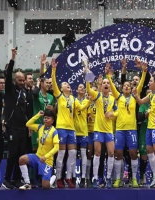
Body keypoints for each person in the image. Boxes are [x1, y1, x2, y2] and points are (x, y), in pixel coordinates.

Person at [51, 58, 90, 188]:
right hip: (61, 128)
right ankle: (59, 178)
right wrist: (54, 69)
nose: (67, 85)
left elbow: (82, 107)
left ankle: (68, 178)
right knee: (61, 155)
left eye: (68, 84)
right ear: (61, 89)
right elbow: (55, 84)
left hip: (72, 130)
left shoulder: (73, 99)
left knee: (73, 154)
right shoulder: (60, 97)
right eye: (65, 84)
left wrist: (89, 100)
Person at [106, 62, 146, 188]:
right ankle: (118, 179)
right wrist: (108, 76)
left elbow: (140, 85)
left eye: (129, 86)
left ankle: (134, 178)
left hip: (131, 130)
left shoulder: (135, 97)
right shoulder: (119, 97)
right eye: (125, 86)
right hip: (120, 130)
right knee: (118, 154)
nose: (127, 87)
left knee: (133, 153)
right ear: (122, 89)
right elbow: (112, 86)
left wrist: (144, 72)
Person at [133, 75, 155, 188]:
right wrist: (136, 94)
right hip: (149, 126)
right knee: (149, 151)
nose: (149, 83)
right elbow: (140, 102)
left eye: (151, 81)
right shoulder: (151, 94)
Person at [86, 67, 118, 189]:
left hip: (109, 131)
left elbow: (118, 112)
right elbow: (88, 89)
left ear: (110, 86)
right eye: (104, 82)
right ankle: (95, 178)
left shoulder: (112, 99)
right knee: (97, 153)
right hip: (99, 130)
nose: (106, 84)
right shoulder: (98, 96)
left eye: (107, 83)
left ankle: (108, 177)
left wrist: (113, 114)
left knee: (111, 153)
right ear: (101, 85)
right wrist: (88, 76)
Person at [2, 48, 28, 189]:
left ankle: (17, 179)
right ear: (14, 80)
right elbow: (7, 76)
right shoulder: (10, 90)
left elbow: (24, 111)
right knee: (12, 155)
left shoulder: (24, 93)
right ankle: (6, 179)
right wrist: (12, 58)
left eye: (23, 80)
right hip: (12, 127)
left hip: (22, 128)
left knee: (20, 155)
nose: (22, 82)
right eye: (20, 80)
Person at [19, 109, 59, 190]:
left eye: (48, 118)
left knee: (45, 186)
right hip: (37, 157)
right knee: (22, 159)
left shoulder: (54, 131)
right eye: (45, 118)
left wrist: (46, 156)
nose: (46, 119)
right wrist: (38, 115)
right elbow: (28, 124)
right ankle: (27, 183)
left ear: (52, 121)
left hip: (47, 161)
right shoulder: (40, 127)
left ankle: (53, 177)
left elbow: (56, 148)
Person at [74, 83, 90, 187]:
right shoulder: (73, 100)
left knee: (84, 155)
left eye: (83, 88)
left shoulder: (86, 100)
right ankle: (73, 177)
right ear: (76, 90)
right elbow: (79, 109)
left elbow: (88, 113)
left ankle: (83, 178)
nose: (82, 88)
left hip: (84, 131)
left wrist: (89, 117)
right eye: (80, 87)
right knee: (73, 155)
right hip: (74, 131)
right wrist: (89, 101)